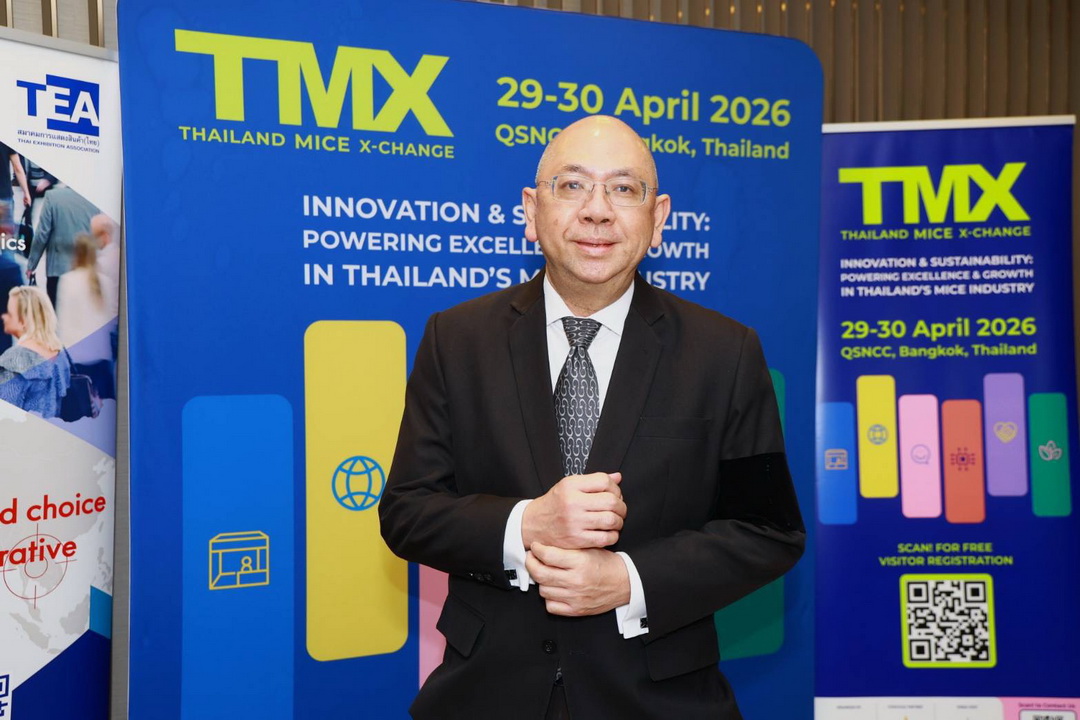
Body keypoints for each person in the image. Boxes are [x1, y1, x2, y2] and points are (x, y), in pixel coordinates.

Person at [379, 115, 804, 719]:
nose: (598, 211)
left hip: (658, 700)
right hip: (485, 695)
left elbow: (769, 532)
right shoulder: (457, 339)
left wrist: (628, 580)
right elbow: (407, 511)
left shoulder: (725, 353)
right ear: (532, 211)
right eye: (572, 185)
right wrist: (528, 524)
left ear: (658, 218)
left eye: (624, 189)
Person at [26, 183, 100, 312]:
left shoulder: (53, 197)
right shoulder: (96, 200)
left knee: (57, 315)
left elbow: (42, 234)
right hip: (86, 270)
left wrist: (31, 265)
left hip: (57, 270)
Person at [0, 285, 71, 417]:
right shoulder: (61, 354)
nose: (4, 317)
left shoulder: (15, 360)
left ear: (23, 320)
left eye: (9, 313)